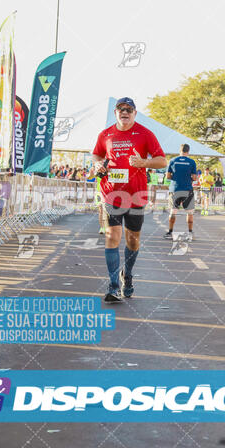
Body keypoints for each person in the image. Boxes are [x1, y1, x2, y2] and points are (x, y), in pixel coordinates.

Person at [92, 97, 166, 302]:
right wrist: (99, 165)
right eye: (121, 109)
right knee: (111, 237)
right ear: (115, 112)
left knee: (133, 240)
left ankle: (128, 275)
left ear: (135, 113)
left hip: (135, 195)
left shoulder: (145, 133)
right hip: (111, 194)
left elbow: (162, 160)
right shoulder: (105, 134)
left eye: (129, 109)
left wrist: (143, 162)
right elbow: (97, 155)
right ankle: (113, 285)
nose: (124, 112)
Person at [163, 144, 197, 240]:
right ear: (188, 151)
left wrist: (177, 177)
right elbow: (194, 177)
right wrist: (188, 178)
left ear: (180, 150)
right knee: (190, 213)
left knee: (173, 212)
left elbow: (168, 176)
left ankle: (170, 232)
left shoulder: (173, 160)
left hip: (175, 189)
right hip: (187, 189)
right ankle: (190, 233)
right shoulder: (191, 162)